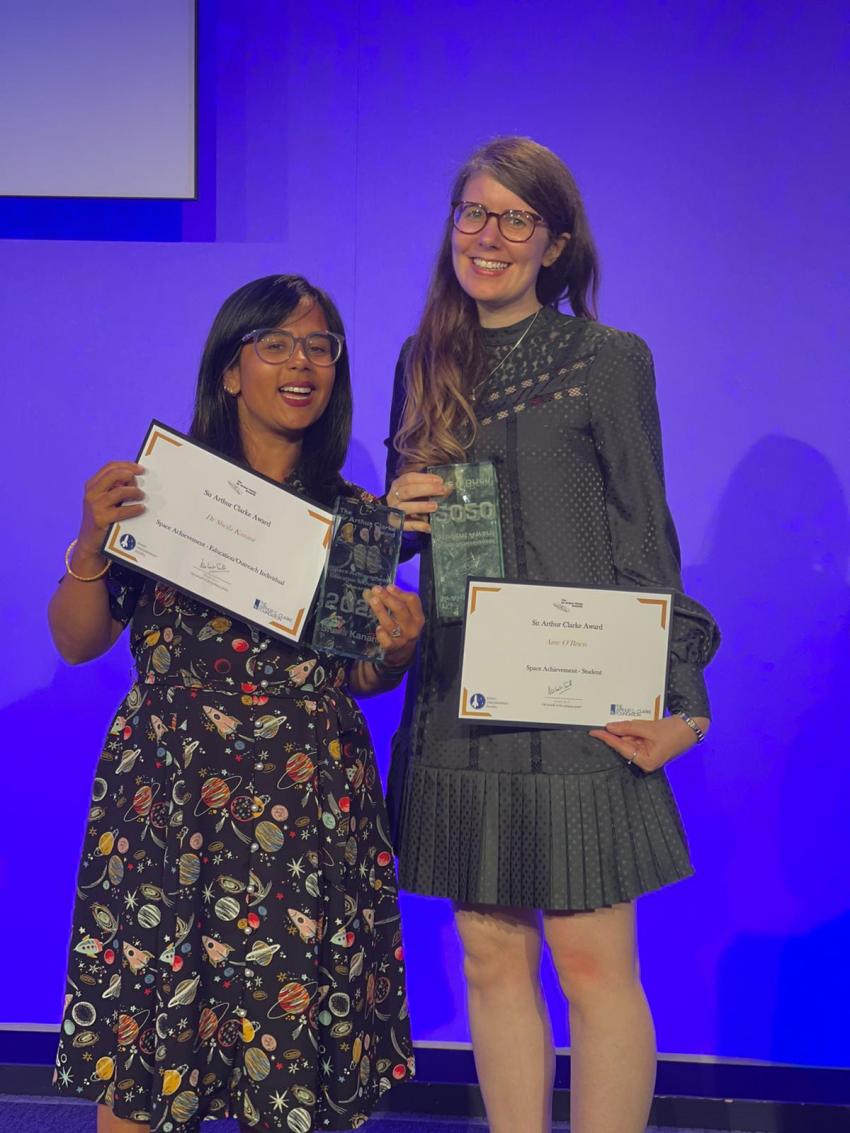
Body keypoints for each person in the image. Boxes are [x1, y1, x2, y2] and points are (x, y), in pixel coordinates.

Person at [384, 138, 720, 1133]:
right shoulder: (424, 360)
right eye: (470, 213)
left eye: (513, 219)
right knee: (489, 954)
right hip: (459, 701)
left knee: (591, 962)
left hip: (583, 701)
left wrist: (683, 705)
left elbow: (643, 533)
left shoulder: (607, 360)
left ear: (555, 244)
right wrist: (395, 519)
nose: (486, 236)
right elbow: (434, 544)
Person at [50, 274, 421, 1133]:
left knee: (288, 1058)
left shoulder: (357, 519)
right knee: (145, 1055)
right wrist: (90, 542)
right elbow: (77, 640)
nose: (302, 363)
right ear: (230, 369)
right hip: (170, 800)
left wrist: (394, 651)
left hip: (305, 805)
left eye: (320, 346)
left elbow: (357, 675)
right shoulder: (162, 491)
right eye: (278, 344)